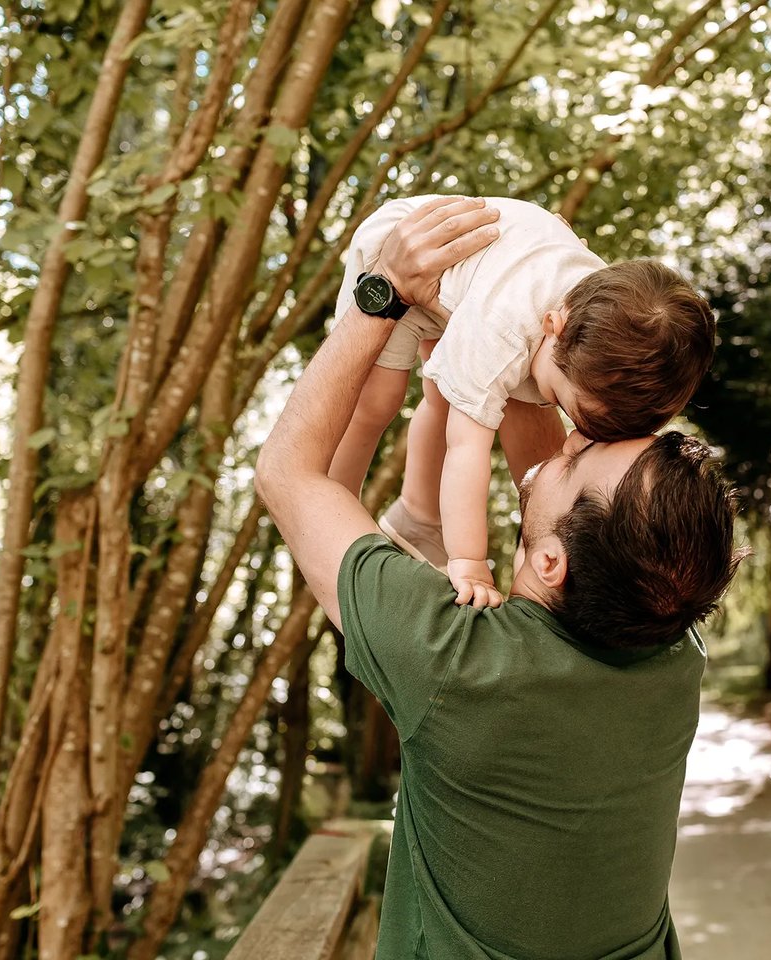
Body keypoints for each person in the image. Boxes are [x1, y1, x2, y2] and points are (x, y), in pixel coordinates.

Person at [255, 198, 743, 960]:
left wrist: (378, 292)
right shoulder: (670, 656)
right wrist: (503, 327)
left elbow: (290, 473)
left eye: (577, 452)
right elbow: (540, 469)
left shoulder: (452, 660)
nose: (564, 442)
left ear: (553, 564)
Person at [327, 195, 716, 609]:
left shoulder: (610, 314)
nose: (569, 431)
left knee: (445, 398)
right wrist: (469, 559)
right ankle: (331, 508)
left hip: (486, 276)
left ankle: (417, 518)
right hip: (406, 249)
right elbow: (466, 448)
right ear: (554, 326)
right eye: (558, 400)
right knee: (377, 402)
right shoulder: (506, 333)